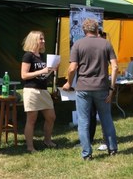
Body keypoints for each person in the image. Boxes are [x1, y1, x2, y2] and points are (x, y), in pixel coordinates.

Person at [63, 19, 118, 160]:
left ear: (83, 30)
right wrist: (112, 88)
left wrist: (69, 83)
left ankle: (87, 153)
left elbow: (72, 68)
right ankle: (112, 149)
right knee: (106, 118)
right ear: (97, 29)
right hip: (102, 87)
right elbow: (115, 67)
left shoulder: (78, 44)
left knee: (83, 121)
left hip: (83, 88)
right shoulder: (106, 43)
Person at [21, 31, 58, 152]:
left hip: (43, 90)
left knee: (51, 117)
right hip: (31, 90)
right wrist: (42, 71)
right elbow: (24, 75)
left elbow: (43, 75)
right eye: (41, 39)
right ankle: (30, 147)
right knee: (31, 120)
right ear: (34, 40)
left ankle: (47, 140)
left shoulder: (41, 56)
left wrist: (51, 70)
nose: (43, 41)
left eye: (43, 38)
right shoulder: (28, 56)